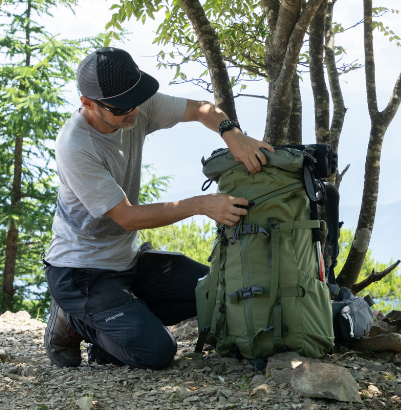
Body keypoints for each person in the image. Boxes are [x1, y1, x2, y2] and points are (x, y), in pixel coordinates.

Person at [43, 47, 273, 370]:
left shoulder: (132, 105)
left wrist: (231, 133)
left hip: (127, 264)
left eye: (137, 98)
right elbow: (126, 217)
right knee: (159, 351)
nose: (134, 111)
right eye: (123, 106)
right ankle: (74, 318)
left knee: (213, 287)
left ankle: (115, 325)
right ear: (88, 104)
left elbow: (201, 110)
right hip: (81, 273)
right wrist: (200, 205)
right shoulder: (75, 146)